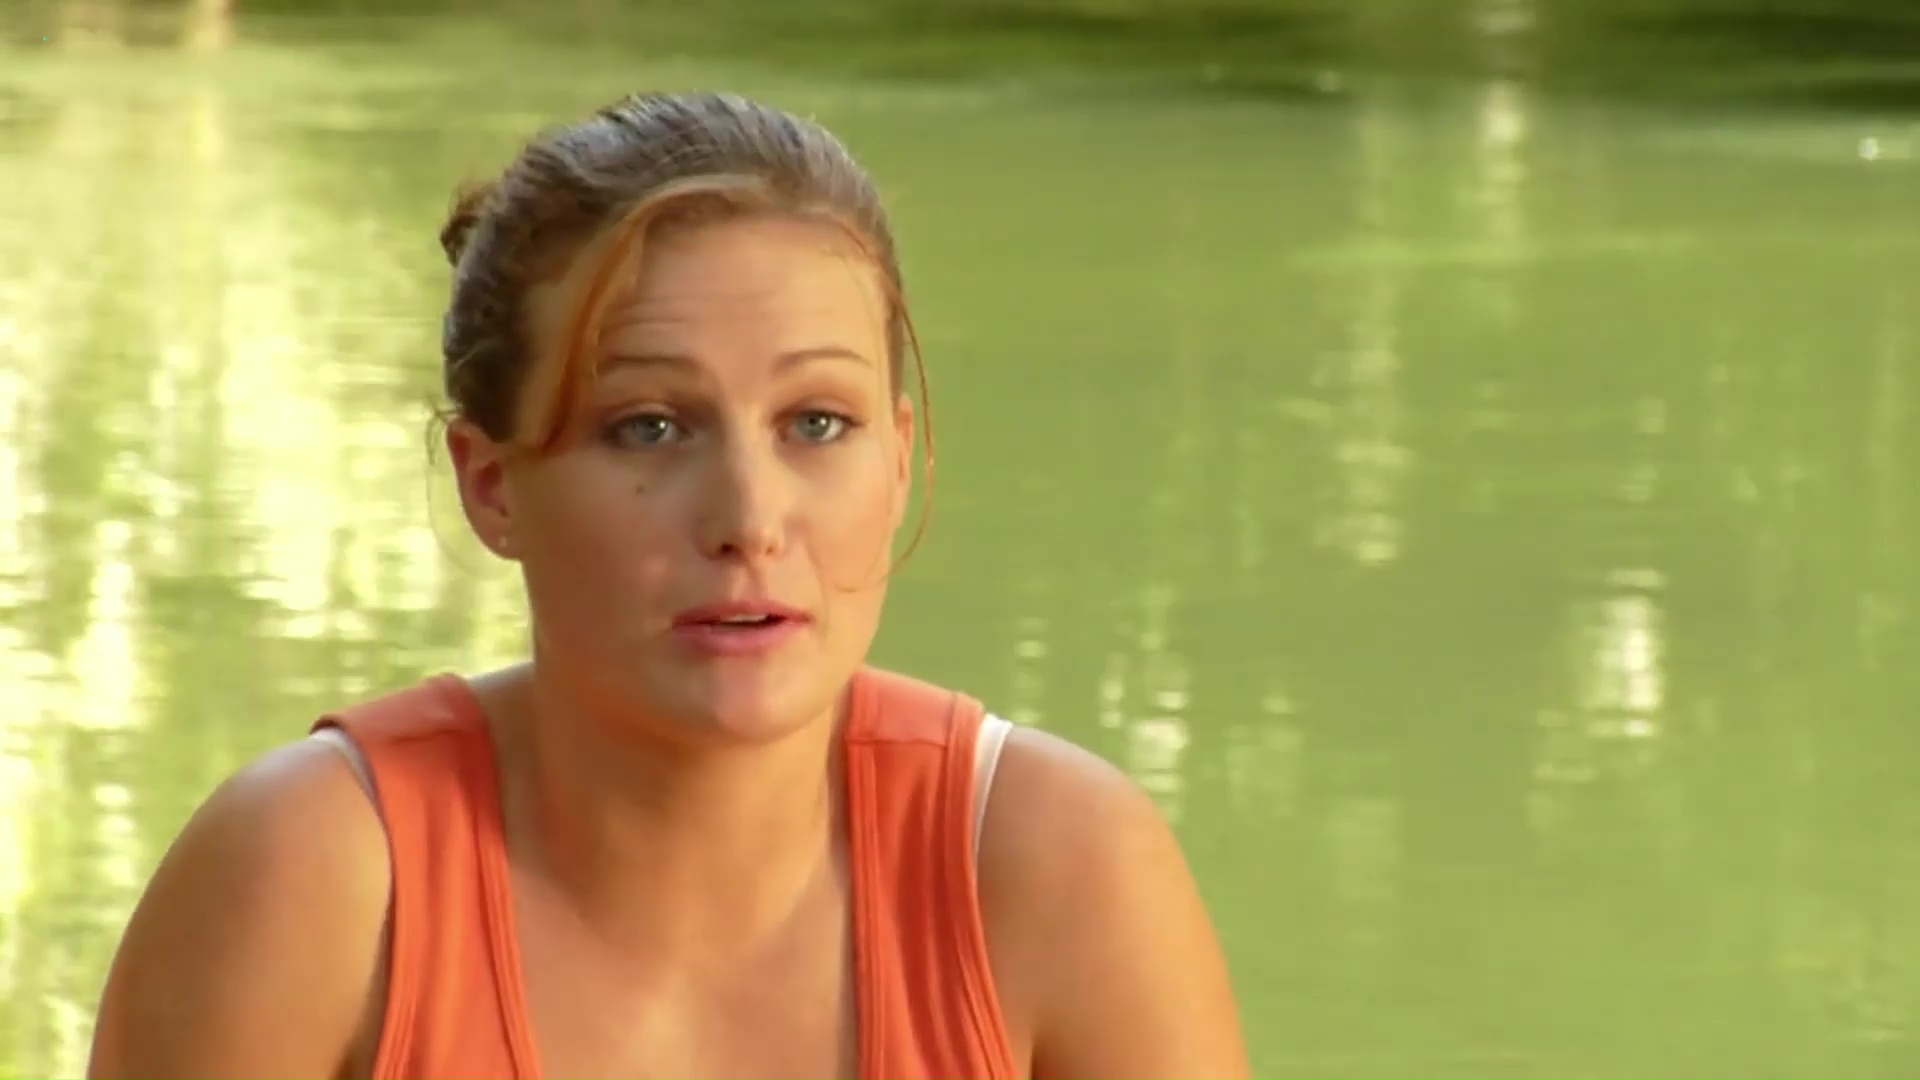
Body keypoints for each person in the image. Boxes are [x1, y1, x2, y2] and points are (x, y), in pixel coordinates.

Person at [86, 91, 1250, 1080]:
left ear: (898, 462)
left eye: (816, 423)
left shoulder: (1057, 871)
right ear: (491, 485)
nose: (748, 520)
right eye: (648, 426)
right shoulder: (315, 883)